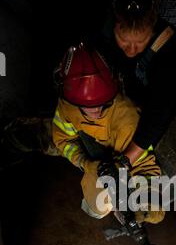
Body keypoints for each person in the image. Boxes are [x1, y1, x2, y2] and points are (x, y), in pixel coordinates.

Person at [52, 43, 164, 224]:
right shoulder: (67, 107)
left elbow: (144, 165)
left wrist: (149, 198)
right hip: (87, 147)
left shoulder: (126, 118)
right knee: (33, 135)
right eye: (88, 105)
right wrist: (83, 162)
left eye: (102, 102)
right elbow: (62, 139)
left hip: (117, 160)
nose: (96, 109)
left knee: (97, 207)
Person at [95, 0, 176, 166]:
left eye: (140, 43)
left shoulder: (172, 51)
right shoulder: (103, 31)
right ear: (114, 26)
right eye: (123, 40)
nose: (130, 50)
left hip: (159, 110)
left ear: (152, 30)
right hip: (130, 96)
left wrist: (124, 162)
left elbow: (158, 112)